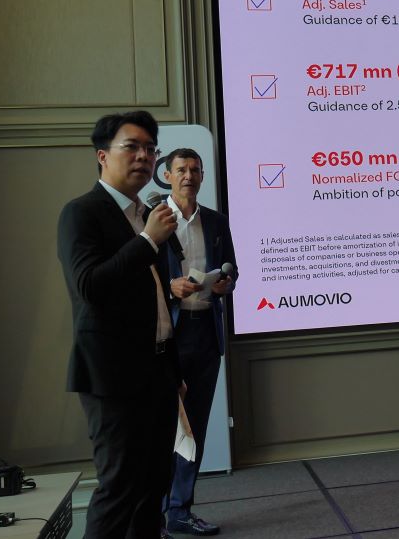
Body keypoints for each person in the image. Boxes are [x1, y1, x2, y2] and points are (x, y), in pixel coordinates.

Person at [57, 111, 181, 538]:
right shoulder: (81, 213)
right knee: (120, 488)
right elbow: (89, 286)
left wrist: (174, 372)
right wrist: (147, 241)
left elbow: (157, 300)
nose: (144, 156)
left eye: (150, 149)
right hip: (112, 375)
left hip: (157, 371)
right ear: (102, 156)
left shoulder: (145, 213)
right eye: (132, 147)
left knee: (154, 485)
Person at [161, 148, 238, 536]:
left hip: (205, 332)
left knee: (196, 428)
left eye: (194, 170)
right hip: (166, 337)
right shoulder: (153, 220)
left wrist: (226, 284)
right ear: (168, 175)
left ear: (203, 176)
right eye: (181, 170)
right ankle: (154, 513)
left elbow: (232, 270)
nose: (188, 176)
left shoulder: (217, 221)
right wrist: (169, 287)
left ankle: (180, 510)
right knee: (163, 428)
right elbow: (136, 277)